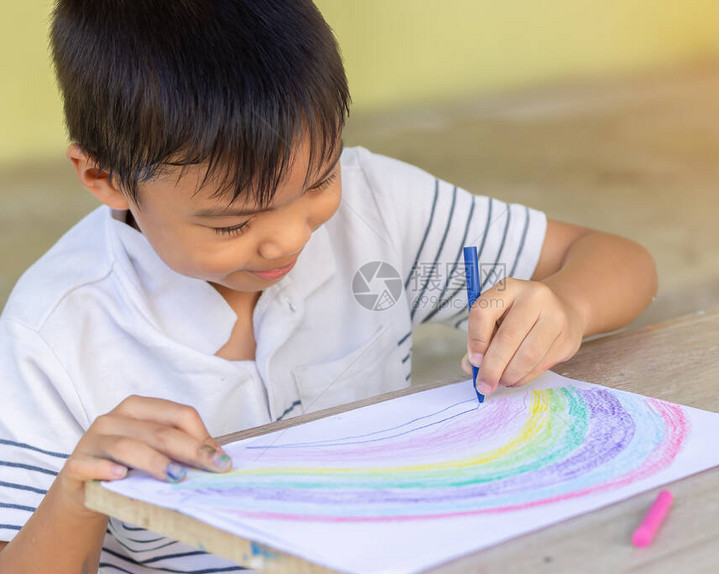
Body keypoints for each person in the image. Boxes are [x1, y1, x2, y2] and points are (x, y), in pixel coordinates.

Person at [0, 1, 658, 572]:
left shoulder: (378, 208)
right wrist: (76, 491)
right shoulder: (54, 332)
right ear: (104, 178)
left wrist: (567, 304)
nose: (289, 239)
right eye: (232, 222)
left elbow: (618, 261)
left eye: (317, 183)